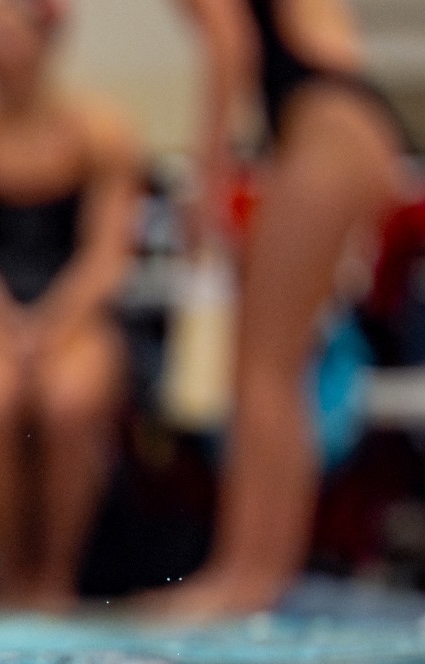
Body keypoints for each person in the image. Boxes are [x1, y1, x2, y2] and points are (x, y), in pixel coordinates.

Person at [148, 0, 408, 617]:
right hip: (345, 121)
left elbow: (230, 46)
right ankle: (263, 571)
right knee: (280, 370)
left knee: (262, 370)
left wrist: (207, 181)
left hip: (327, 129)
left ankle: (244, 574)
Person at [0, 0, 140, 611]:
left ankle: (55, 574)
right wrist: (2, 322)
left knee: (70, 400)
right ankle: (11, 566)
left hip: (73, 309)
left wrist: (54, 323)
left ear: (45, 42)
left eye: (4, 36)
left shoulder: (98, 131)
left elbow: (107, 254)